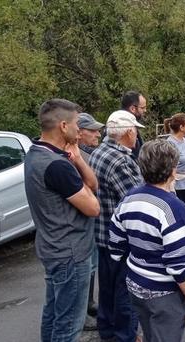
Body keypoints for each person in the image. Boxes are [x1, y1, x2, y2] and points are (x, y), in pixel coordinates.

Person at [109, 140, 185, 342]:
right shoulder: (173, 209)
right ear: (172, 170)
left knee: (150, 333)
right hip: (164, 292)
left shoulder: (129, 199)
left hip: (136, 285)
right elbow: (179, 266)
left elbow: (116, 245)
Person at [24, 99, 100, 342]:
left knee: (54, 313)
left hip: (52, 248)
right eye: (78, 123)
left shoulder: (36, 153)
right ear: (64, 125)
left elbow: (93, 184)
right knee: (69, 326)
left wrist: (77, 158)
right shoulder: (57, 165)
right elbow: (93, 207)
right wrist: (82, 182)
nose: (80, 129)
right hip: (71, 253)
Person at [89, 110, 145, 342]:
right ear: (128, 132)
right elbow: (136, 201)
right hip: (121, 239)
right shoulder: (120, 160)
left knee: (108, 289)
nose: (137, 137)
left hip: (103, 233)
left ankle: (108, 331)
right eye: (136, 132)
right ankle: (125, 337)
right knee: (126, 292)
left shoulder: (99, 151)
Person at [76, 112, 105, 330]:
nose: (98, 133)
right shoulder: (78, 157)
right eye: (93, 130)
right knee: (85, 267)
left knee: (92, 265)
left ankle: (89, 304)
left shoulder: (90, 153)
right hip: (84, 219)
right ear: (80, 133)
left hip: (92, 219)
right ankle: (81, 312)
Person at [164, 113, 185, 210]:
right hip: (177, 187)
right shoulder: (170, 144)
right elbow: (168, 167)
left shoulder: (183, 140)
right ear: (181, 127)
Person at [120, 90, 147, 158]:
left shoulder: (119, 122)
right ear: (132, 108)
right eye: (143, 108)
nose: (145, 110)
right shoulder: (123, 127)